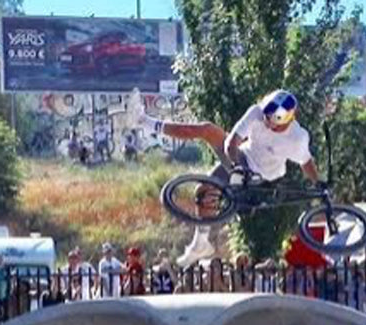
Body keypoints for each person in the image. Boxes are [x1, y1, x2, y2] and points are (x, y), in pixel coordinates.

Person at [130, 89, 323, 267]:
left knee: (209, 136)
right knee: (204, 187)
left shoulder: (297, 139)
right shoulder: (257, 112)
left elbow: (306, 163)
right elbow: (232, 142)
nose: (264, 121)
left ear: (285, 120)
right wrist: (237, 168)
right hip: (242, 159)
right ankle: (201, 243)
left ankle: (144, 121)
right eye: (264, 115)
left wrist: (319, 186)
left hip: (264, 177)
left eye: (270, 121)